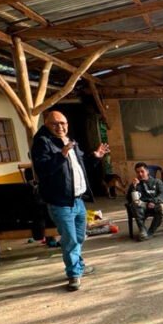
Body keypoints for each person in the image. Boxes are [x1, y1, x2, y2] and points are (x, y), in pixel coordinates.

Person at [31, 110, 109, 291]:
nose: (60, 127)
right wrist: (61, 155)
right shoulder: (42, 143)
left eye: (63, 123)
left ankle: (78, 266)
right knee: (70, 240)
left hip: (78, 200)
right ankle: (74, 274)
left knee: (80, 237)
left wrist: (95, 156)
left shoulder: (70, 141)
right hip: (60, 202)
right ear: (46, 124)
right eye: (55, 124)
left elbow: (81, 165)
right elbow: (42, 169)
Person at [130, 163, 163, 241]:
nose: (140, 174)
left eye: (142, 171)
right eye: (137, 172)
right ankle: (143, 230)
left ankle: (151, 232)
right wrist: (134, 188)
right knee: (136, 204)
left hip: (155, 204)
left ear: (147, 171)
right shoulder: (135, 183)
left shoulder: (157, 182)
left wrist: (154, 202)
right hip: (142, 205)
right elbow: (129, 198)